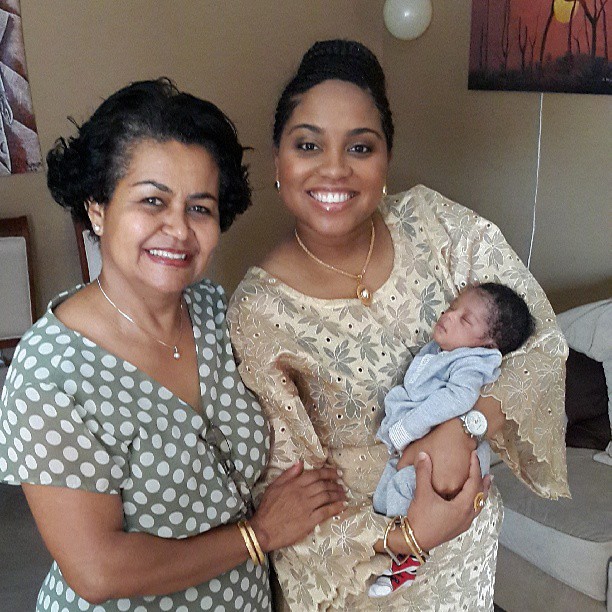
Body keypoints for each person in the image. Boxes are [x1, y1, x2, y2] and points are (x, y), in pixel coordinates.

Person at [227, 40, 569, 610]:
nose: (334, 168)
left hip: (466, 544)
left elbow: (541, 342)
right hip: (370, 572)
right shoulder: (259, 310)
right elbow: (288, 492)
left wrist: (466, 426)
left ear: (385, 159)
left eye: (360, 146)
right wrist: (407, 535)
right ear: (277, 162)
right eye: (308, 144)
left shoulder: (436, 225)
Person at [0, 78, 349, 611]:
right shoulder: (50, 372)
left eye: (200, 208)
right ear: (97, 206)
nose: (179, 229)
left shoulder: (213, 310)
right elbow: (97, 570)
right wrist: (259, 534)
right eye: (152, 201)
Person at [370, 282, 535, 597]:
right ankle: (394, 546)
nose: (448, 316)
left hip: (444, 455)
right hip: (423, 446)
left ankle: (408, 560)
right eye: (451, 308)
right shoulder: (445, 349)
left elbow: (458, 398)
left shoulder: (473, 362)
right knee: (389, 491)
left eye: (465, 319)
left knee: (405, 490)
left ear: (486, 344)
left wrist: (409, 428)